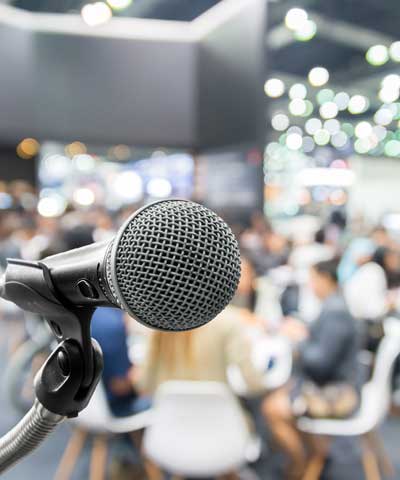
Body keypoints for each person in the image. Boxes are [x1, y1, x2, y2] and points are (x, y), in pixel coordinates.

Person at [262, 258, 360, 478]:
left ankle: (302, 462)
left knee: (272, 408)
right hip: (331, 383)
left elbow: (320, 363)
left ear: (325, 279)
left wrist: (298, 339)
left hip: (337, 392)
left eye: (313, 280)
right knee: (276, 396)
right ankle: (311, 452)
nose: (311, 286)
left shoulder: (335, 311)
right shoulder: (334, 305)